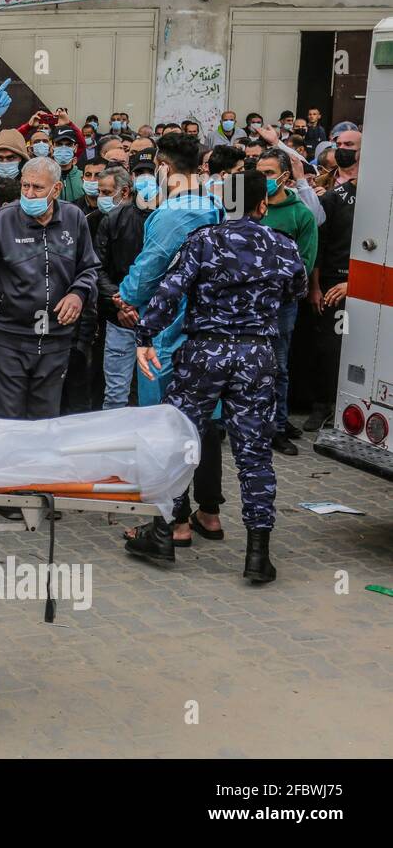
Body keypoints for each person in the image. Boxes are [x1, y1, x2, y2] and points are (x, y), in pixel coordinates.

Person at [127, 169, 306, 584]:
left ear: (225, 203)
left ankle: (164, 533)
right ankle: (258, 554)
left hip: (205, 352)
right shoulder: (283, 246)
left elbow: (171, 290)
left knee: (179, 439)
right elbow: (294, 291)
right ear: (263, 204)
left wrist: (145, 333)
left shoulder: (203, 241)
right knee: (254, 454)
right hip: (257, 356)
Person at [116, 133, 224, 546]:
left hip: (168, 330)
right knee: (207, 424)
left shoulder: (172, 214)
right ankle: (209, 513)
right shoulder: (215, 205)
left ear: (163, 166)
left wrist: (123, 297)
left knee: (166, 425)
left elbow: (148, 271)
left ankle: (174, 523)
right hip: (207, 330)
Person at [0, 155, 100, 421]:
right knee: (8, 419)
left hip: (56, 338)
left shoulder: (73, 218)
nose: (29, 194)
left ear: (56, 189)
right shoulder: (2, 220)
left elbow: (89, 268)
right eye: (25, 186)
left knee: (45, 419)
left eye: (38, 188)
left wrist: (78, 294)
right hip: (9, 338)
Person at [255, 148, 318, 456]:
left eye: (268, 173)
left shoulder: (300, 214)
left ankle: (278, 429)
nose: (262, 179)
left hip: (280, 305)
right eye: (258, 173)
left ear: (284, 175)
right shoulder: (245, 206)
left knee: (278, 366)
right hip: (245, 304)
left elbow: (303, 265)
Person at [306, 127, 360, 431]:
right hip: (330, 284)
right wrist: (316, 287)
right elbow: (319, 247)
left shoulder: (378, 194)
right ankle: (322, 405)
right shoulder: (331, 197)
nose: (343, 148)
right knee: (328, 348)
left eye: (349, 144)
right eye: (339, 144)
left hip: (366, 286)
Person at [92, 165, 145, 410]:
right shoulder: (104, 220)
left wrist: (125, 301)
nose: (101, 198)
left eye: (106, 192)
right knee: (115, 392)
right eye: (99, 192)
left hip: (144, 315)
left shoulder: (153, 219)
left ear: (124, 192)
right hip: (117, 315)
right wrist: (120, 301)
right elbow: (97, 267)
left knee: (142, 391)